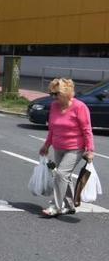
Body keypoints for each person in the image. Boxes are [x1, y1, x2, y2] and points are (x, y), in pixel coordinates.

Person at [39, 78, 96, 217]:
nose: (53, 97)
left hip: (75, 148)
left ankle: (56, 206)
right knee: (66, 176)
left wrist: (90, 149)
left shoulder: (80, 107)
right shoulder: (54, 106)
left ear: (66, 92)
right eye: (52, 94)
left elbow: (87, 129)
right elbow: (52, 128)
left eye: (56, 94)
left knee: (61, 174)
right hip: (59, 146)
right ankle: (70, 206)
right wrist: (47, 145)